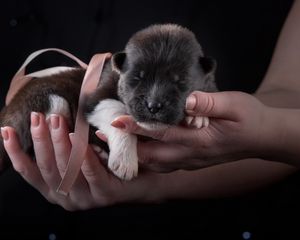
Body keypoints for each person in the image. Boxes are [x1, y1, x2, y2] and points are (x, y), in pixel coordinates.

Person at [0, 0, 298, 239]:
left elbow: (289, 94)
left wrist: (258, 130)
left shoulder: (199, 74)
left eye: (178, 82)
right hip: (24, 199)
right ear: (122, 68)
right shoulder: (113, 79)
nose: (154, 101)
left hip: (199, 218)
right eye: (139, 79)